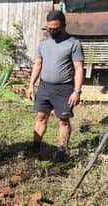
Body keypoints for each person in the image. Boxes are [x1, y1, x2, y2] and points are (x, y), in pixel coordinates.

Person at [27, 10, 84, 161]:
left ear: (63, 26)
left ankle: (62, 149)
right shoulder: (44, 44)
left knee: (63, 120)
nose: (52, 31)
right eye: (49, 28)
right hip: (45, 87)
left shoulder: (74, 44)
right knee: (41, 116)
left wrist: (77, 91)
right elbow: (38, 64)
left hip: (64, 89)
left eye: (55, 29)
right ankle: (35, 146)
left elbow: (78, 68)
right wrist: (31, 84)